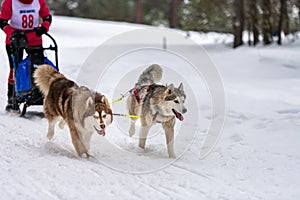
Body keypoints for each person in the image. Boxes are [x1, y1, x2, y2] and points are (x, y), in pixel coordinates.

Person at [0, 0, 52, 112]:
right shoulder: (10, 3)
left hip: (34, 39)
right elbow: (2, 22)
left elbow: (47, 17)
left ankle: (37, 93)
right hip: (15, 40)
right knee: (15, 68)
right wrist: (12, 33)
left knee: (38, 66)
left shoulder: (38, 1)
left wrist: (44, 27)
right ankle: (12, 98)